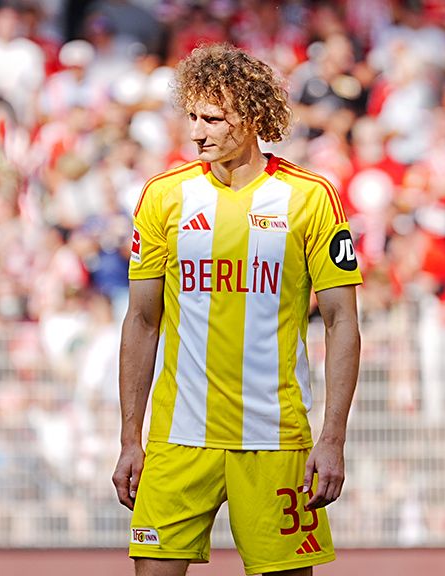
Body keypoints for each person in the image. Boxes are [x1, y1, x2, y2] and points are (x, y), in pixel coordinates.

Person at [111, 43, 362, 576]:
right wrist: (130, 437)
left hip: (275, 440)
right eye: (192, 117)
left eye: (213, 118)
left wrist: (333, 438)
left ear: (250, 118)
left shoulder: (310, 197)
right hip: (177, 439)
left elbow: (342, 322)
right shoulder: (163, 196)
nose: (197, 132)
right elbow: (141, 321)